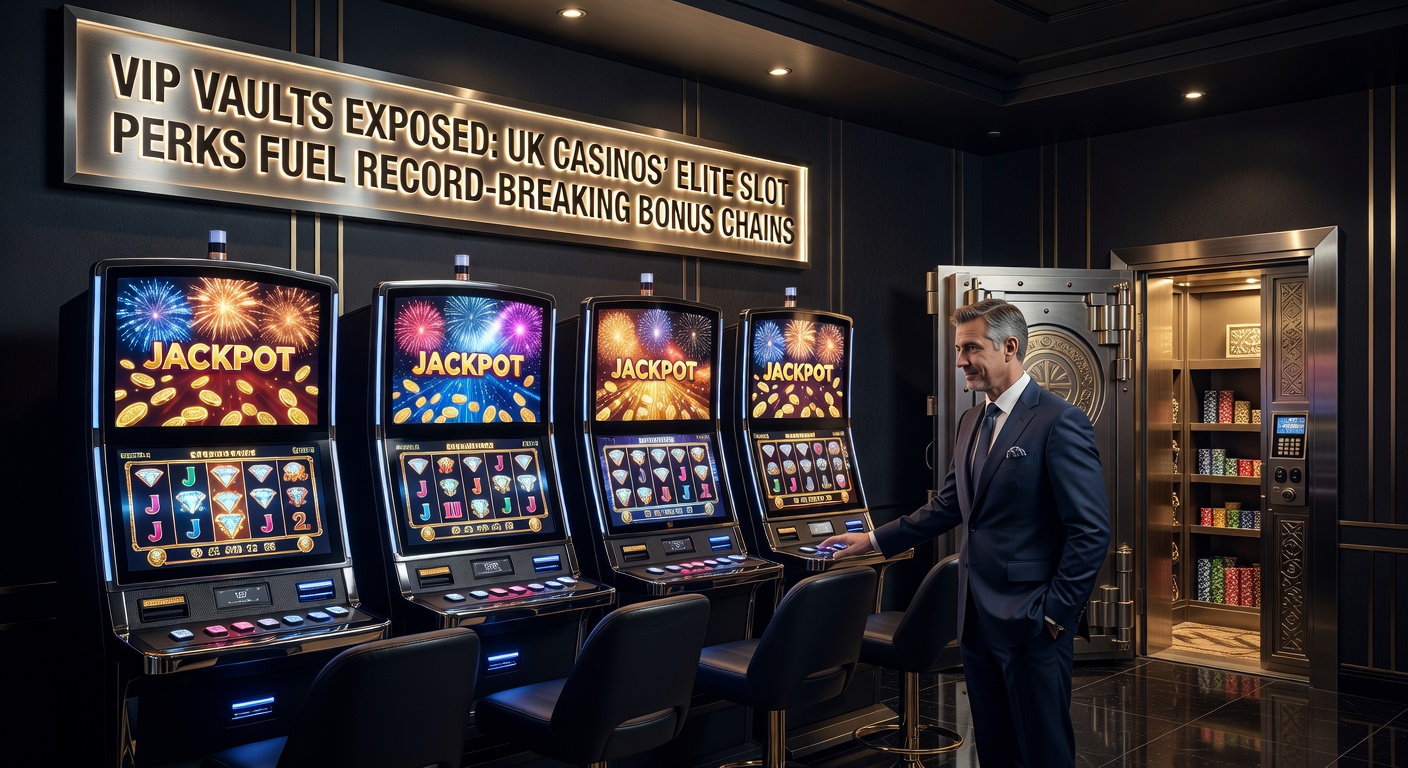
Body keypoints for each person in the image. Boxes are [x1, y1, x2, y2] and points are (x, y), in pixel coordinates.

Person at [821, 297, 1110, 768]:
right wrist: (872, 541)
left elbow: (1091, 531)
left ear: (1010, 347)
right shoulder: (972, 420)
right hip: (975, 621)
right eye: (959, 349)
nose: (960, 362)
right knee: (995, 751)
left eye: (971, 349)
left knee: (1044, 753)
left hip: (1033, 624)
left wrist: (1055, 617)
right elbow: (949, 507)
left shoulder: (1060, 421)